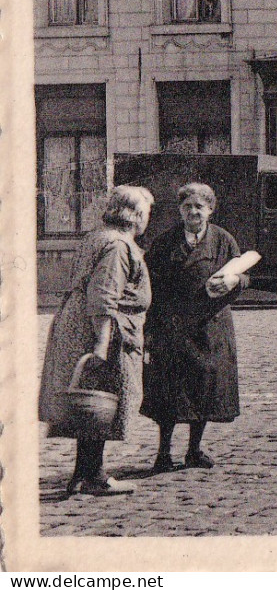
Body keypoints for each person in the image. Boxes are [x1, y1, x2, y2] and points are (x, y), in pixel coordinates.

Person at [38, 185, 155, 497]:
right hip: (101, 331)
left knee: (90, 405)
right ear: (137, 216)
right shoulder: (118, 246)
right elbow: (103, 296)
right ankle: (94, 476)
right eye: (146, 213)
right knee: (100, 402)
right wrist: (101, 346)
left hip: (82, 326)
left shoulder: (97, 236)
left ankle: (83, 473)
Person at [141, 182, 250, 473]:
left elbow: (243, 275)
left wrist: (234, 282)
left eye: (199, 207)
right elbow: (149, 286)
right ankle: (163, 453)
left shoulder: (224, 241)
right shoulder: (165, 243)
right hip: (172, 328)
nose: (193, 212)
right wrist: (150, 329)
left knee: (203, 389)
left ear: (210, 210)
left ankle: (193, 450)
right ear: (180, 210)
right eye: (187, 206)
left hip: (209, 327)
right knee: (169, 393)